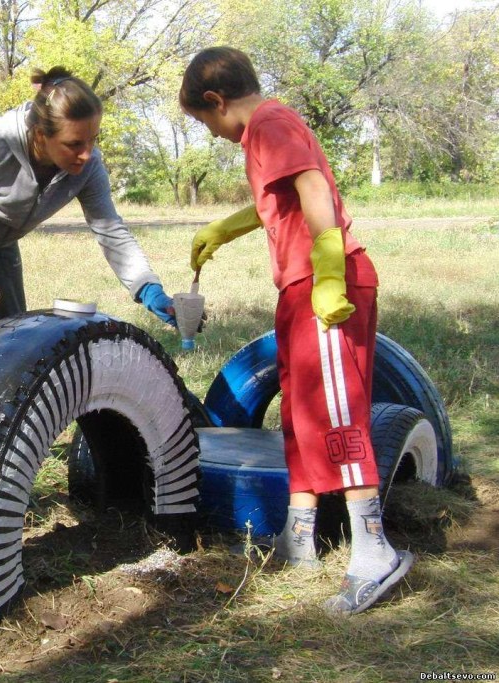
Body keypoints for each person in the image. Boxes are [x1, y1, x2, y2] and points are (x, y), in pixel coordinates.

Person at [179, 46, 413, 615]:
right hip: (297, 287)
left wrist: (329, 270)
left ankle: (374, 550)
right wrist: (227, 227)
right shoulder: (264, 129)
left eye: (205, 121)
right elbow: (279, 202)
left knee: (336, 411)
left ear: (217, 100)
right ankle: (300, 536)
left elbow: (312, 186)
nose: (211, 134)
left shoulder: (268, 123)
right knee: (301, 410)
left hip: (323, 285)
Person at [0, 66, 176, 352]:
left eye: (93, 139)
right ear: (39, 135)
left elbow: (111, 231)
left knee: (10, 339)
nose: (87, 154)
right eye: (74, 144)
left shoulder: (88, 166)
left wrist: (147, 288)